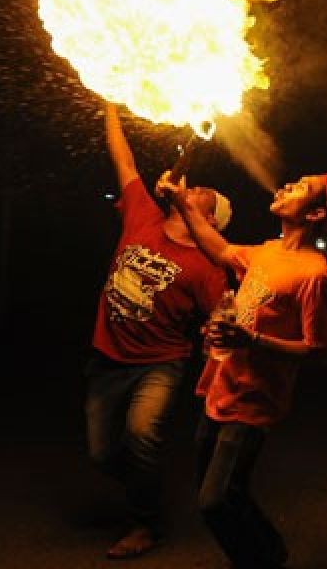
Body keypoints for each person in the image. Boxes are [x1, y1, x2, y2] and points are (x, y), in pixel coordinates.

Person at [156, 169, 327, 569]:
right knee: (228, 492)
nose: (285, 187)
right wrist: (180, 201)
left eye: (300, 189)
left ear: (315, 214)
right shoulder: (266, 251)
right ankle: (272, 552)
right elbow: (220, 250)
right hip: (219, 388)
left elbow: (321, 351)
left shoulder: (316, 275)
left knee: (213, 502)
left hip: (252, 402)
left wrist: (254, 341)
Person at [85, 103, 231, 559]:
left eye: (207, 196)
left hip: (159, 365)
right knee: (104, 454)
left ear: (209, 221)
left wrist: (220, 344)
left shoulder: (208, 266)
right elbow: (123, 159)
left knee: (142, 435)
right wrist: (109, 101)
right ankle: (145, 489)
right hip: (107, 357)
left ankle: (146, 524)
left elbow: (220, 321)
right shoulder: (143, 214)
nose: (200, 188)